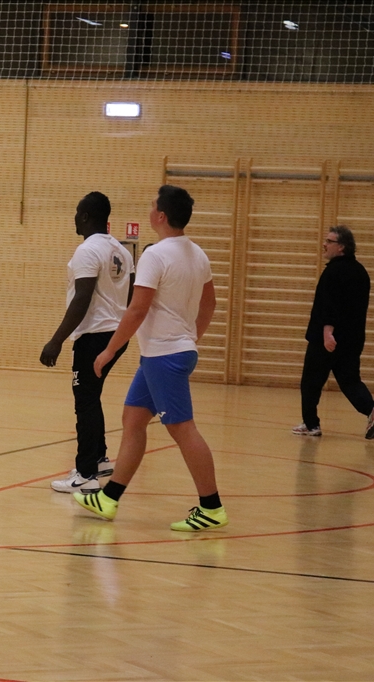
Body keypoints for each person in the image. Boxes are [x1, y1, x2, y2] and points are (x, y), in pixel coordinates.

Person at [74, 185, 227, 532]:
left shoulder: (155, 255)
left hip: (164, 357)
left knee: (182, 429)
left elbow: (137, 309)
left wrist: (109, 350)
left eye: (152, 205)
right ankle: (109, 497)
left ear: (160, 215)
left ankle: (212, 507)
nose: (149, 209)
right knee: (133, 419)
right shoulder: (198, 254)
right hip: (164, 354)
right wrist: (191, 338)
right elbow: (210, 304)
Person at [41, 191, 134, 493]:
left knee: (85, 401)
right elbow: (131, 296)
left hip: (94, 337)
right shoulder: (121, 251)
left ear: (84, 216)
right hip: (116, 334)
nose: (74, 218)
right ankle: (99, 458)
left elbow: (82, 298)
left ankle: (85, 474)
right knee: (92, 397)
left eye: (76, 212)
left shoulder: (87, 250)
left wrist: (56, 340)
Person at [293, 225, 374, 439]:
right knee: (350, 380)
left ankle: (311, 424)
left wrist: (328, 332)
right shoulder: (361, 272)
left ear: (341, 247)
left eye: (329, 241)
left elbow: (330, 305)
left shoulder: (333, 272)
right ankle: (372, 409)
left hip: (328, 338)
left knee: (311, 381)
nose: (324, 244)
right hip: (352, 339)